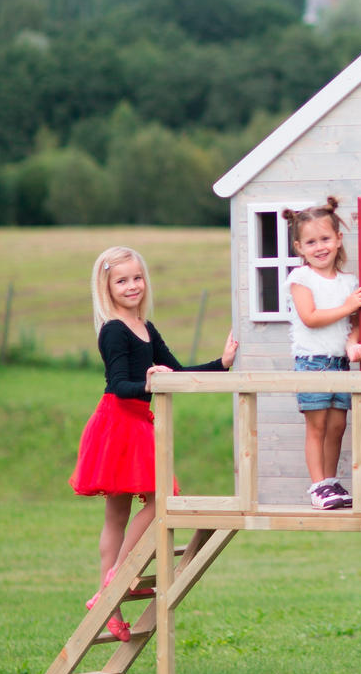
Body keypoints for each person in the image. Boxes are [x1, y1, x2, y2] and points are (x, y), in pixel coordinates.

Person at [70, 246, 238, 641]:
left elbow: (176, 372)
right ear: (107, 287)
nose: (132, 286)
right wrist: (147, 381)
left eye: (137, 278)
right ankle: (117, 578)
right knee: (143, 505)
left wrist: (222, 363)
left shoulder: (146, 327)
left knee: (143, 505)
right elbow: (118, 384)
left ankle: (107, 599)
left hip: (138, 425)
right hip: (117, 424)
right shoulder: (113, 329)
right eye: (122, 280)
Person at [282, 197, 361, 510]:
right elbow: (311, 317)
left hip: (339, 363)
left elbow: (355, 323)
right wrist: (348, 306)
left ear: (338, 240)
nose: (319, 247)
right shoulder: (300, 279)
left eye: (324, 239)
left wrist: (353, 345)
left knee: (338, 426)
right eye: (311, 242)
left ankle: (331, 482)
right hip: (312, 363)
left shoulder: (349, 282)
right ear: (299, 247)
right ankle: (318, 485)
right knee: (317, 426)